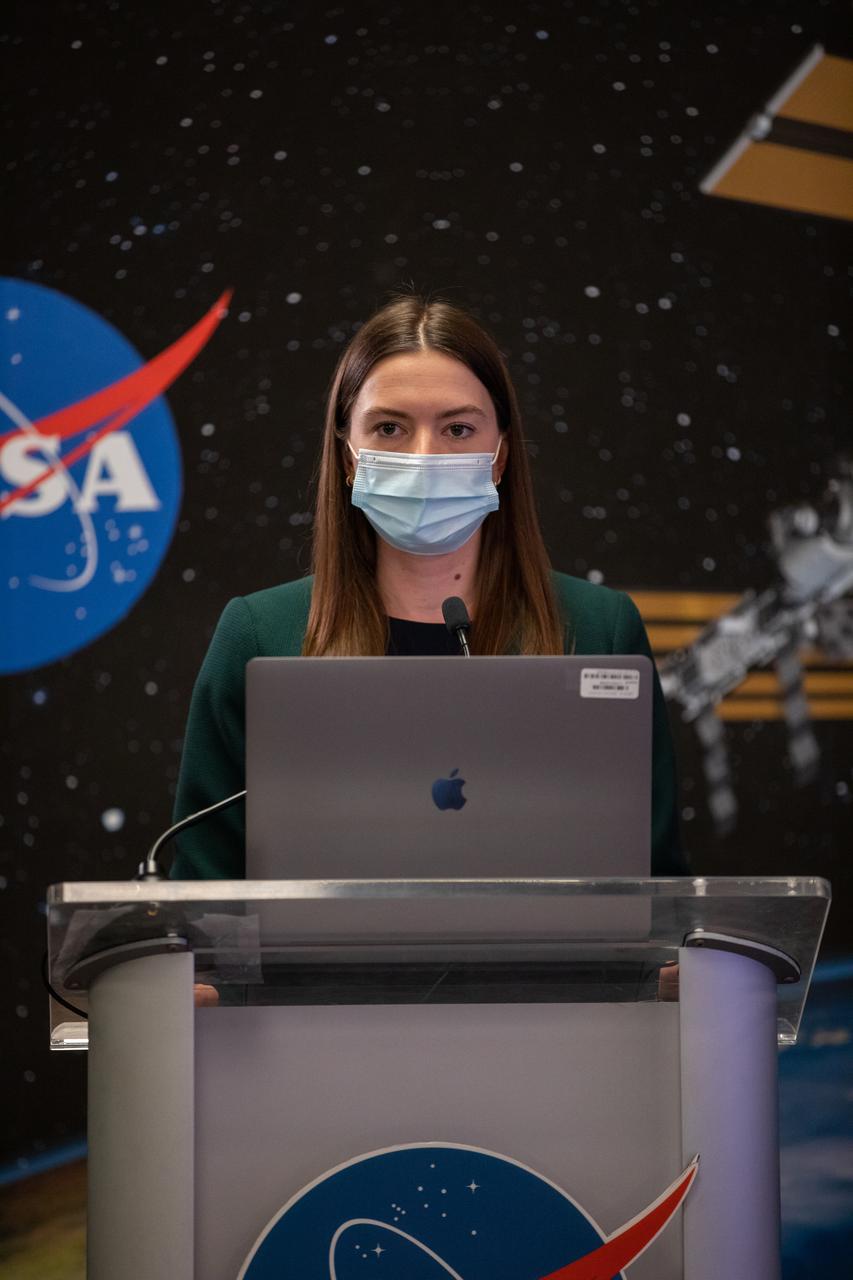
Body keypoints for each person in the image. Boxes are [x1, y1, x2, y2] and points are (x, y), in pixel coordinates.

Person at [171, 295, 685, 878]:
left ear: (500, 456)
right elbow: (204, 892)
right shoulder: (259, 634)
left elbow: (657, 886)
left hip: (544, 971)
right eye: (389, 427)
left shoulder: (599, 629)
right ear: (347, 457)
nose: (425, 456)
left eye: (458, 429)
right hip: (323, 972)